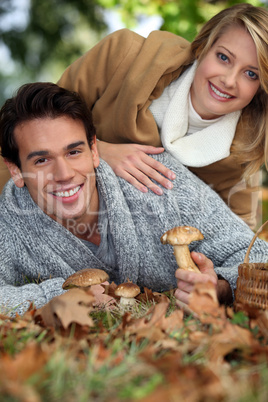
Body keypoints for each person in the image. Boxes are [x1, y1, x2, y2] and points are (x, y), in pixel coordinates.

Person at [0, 82, 268, 316]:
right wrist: (62, 297)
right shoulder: (11, 224)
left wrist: (220, 286)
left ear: (94, 150)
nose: (64, 174)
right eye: (42, 160)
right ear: (16, 170)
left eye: (73, 152)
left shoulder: (160, 179)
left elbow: (259, 257)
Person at [52, 2, 268, 230]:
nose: (229, 80)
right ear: (203, 47)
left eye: (251, 74)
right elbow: (36, 123)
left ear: (261, 89)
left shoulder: (244, 154)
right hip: (47, 219)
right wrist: (98, 152)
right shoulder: (122, 56)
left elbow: (242, 243)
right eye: (223, 58)